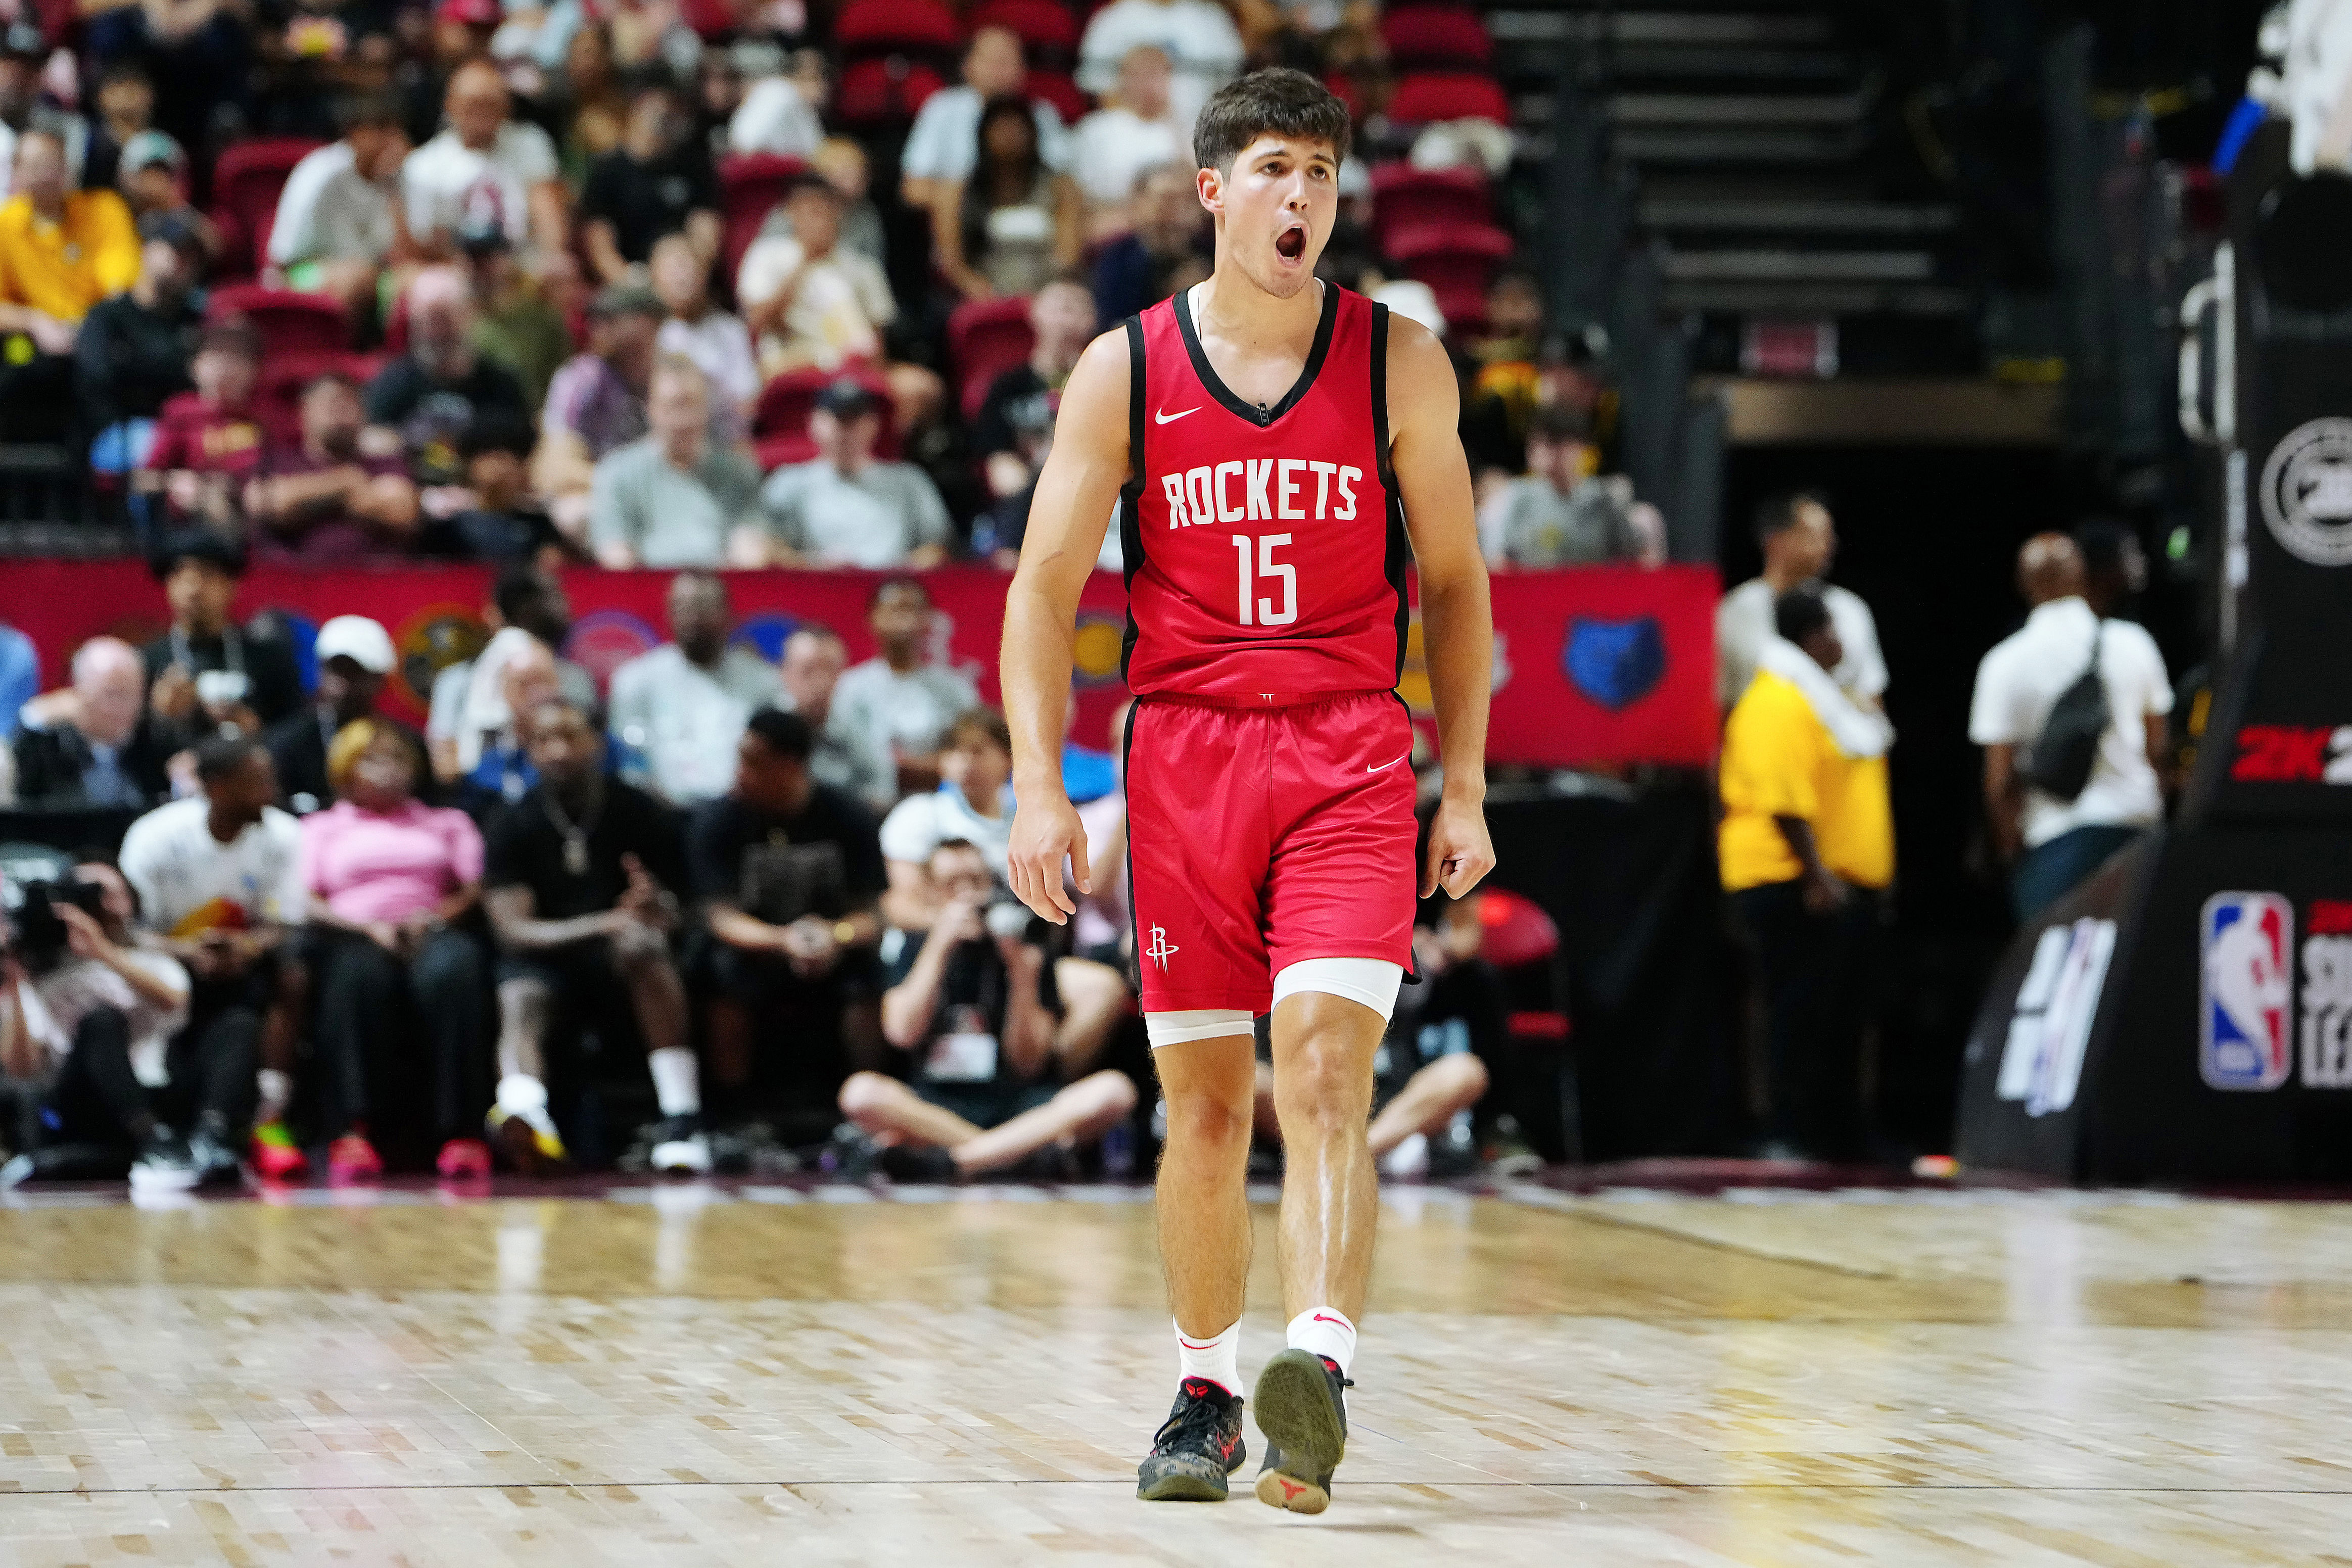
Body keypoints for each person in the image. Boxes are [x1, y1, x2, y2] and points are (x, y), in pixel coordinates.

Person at [999, 68, 1495, 1512]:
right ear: (1212, 191)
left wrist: (1457, 782)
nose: (1300, 198)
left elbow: (1456, 584)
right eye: (1273, 169)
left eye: (1321, 174)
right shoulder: (1126, 367)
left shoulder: (1398, 359)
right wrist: (1042, 785)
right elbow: (1041, 591)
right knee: (1205, 1106)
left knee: (1328, 1065)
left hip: (1345, 743)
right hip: (1182, 753)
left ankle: (1317, 1369)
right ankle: (1207, 1387)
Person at [484, 697, 702, 1172]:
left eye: (570, 736)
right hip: (544, 956)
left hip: (616, 958)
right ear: (530, 750)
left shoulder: (640, 809)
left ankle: (682, 1118)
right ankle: (525, 1112)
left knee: (644, 947)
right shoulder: (510, 820)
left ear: (599, 744)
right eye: (544, 740)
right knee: (520, 995)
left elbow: (687, 908)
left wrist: (657, 907)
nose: (558, 750)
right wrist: (604, 922)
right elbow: (513, 930)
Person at [834, 838, 1137, 1180]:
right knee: (861, 1093)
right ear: (933, 893)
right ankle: (1009, 1156)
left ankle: (958, 1161)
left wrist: (1022, 978)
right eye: (953, 883)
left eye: (976, 881)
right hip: (937, 1105)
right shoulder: (913, 947)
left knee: (1113, 1091)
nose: (968, 893)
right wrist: (940, 944)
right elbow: (902, 1033)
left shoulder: (1024, 947)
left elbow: (1029, 1063)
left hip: (1017, 1103)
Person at [1718, 586, 1894, 1160]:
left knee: (1832, 1016)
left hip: (1826, 885)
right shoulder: (1778, 697)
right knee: (1792, 1014)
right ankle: (1784, 1131)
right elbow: (1784, 801)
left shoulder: (1823, 699)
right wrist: (1816, 876)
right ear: (1810, 636)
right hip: (1785, 881)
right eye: (1832, 630)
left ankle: (1834, 1133)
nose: (1841, 643)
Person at [300, 720, 492, 1180]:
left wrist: (433, 920)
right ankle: (354, 1130)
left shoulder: (447, 821)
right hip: (355, 933)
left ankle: (461, 1132)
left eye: (398, 758)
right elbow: (308, 900)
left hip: (431, 928)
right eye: (373, 758)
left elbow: (473, 889)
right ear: (345, 769)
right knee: (356, 977)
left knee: (456, 971)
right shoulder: (322, 827)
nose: (388, 769)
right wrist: (369, 928)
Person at [116, 736, 311, 1179]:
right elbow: (125, 930)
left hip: (245, 960)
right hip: (165, 960)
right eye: (258, 783)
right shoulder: (155, 836)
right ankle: (149, 1124)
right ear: (217, 787)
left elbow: (285, 921)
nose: (271, 793)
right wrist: (187, 950)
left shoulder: (283, 834)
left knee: (291, 974)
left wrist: (245, 947)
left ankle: (268, 1118)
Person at [687, 709, 885, 1133]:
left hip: (833, 946)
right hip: (756, 948)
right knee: (721, 970)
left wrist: (835, 935)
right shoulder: (719, 818)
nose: (739, 772)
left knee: (867, 976)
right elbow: (719, 916)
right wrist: (784, 940)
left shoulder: (847, 815)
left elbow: (872, 915)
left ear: (790, 765)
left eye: (752, 761)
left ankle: (868, 1108)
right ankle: (733, 1114)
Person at [1970, 532, 2172, 922]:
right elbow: (2159, 751)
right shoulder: (2134, 643)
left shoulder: (2003, 663)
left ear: (2022, 584)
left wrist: (2012, 851)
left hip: (2054, 845)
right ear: (2081, 575)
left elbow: (1998, 783)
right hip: (2137, 833)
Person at [0, 859, 218, 1189]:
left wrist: (104, 952)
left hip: (153, 1085)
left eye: (106, 894)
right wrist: (16, 981)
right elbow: (22, 1069)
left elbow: (175, 1001)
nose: (101, 904)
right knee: (100, 1021)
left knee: (235, 1025)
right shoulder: (36, 981)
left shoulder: (144, 959)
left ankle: (206, 1141)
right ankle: (152, 1140)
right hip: (76, 1102)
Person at [1252, 893, 1499, 1179]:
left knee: (1465, 1071)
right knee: (1250, 1077)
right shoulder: (1296, 959)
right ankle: (1328, 1153)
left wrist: (1442, 951)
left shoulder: (1409, 957)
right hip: (1310, 1105)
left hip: (1388, 1109)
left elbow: (1465, 944)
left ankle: (1355, 1157)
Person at [0, 127, 139, 438]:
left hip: (99, 336)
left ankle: (110, 457)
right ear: (17, 173)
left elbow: (119, 285)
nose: (47, 173)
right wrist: (36, 321)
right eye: (36, 165)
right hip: (30, 342)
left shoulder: (104, 209)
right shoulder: (5, 225)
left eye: (54, 163)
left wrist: (88, 328)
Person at [608, 570, 779, 806]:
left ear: (729, 615)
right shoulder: (637, 679)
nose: (693, 618)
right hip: (659, 809)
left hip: (740, 809)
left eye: (704, 608)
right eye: (683, 608)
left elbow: (770, 754)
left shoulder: (761, 679)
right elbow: (629, 757)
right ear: (669, 614)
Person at [748, 379, 952, 569]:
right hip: (813, 591)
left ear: (873, 425)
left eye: (854, 420)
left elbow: (938, 548)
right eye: (837, 419)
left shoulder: (908, 480)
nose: (845, 430)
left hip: (890, 592)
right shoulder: (788, 483)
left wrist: (896, 571)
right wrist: (815, 565)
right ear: (814, 422)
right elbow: (763, 546)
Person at [424, 565, 597, 783]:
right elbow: (445, 768)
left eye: (542, 682)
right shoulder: (455, 682)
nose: (567, 606)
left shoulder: (575, 680)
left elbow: (587, 756)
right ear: (526, 608)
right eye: (554, 596)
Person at [587, 356, 763, 569]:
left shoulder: (738, 474)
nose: (683, 420)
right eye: (672, 407)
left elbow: (751, 550)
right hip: (648, 593)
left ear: (707, 407)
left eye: (691, 405)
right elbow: (615, 555)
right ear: (650, 409)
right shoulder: (617, 474)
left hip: (721, 593)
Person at [364, 264, 530, 489]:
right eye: (427, 320)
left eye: (444, 318)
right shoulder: (392, 384)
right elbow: (373, 442)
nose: (436, 332)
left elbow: (522, 442)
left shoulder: (501, 383)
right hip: (414, 497)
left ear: (468, 315)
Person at [1717, 491, 1886, 711]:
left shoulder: (1849, 608)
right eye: (1813, 534)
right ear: (1774, 540)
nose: (1828, 544)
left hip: (1835, 742)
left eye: (1829, 535)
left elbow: (1872, 695)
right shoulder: (1735, 610)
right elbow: (1723, 698)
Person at [140, 534, 308, 751]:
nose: (194, 590)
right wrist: (159, 718)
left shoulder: (270, 659)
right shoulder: (147, 663)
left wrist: (259, 734)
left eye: (207, 575)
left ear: (232, 585)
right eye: (181, 576)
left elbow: (299, 733)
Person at [973, 276, 1098, 565]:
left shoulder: (1105, 385)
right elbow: (1000, 471)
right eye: (1060, 308)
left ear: (1092, 320)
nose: (1067, 320)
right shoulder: (1007, 387)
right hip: (1030, 501)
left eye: (1078, 309)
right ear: (1035, 314)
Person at [75, 214, 209, 470]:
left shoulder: (197, 321)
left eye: (192, 257)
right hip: (115, 433)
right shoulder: (107, 316)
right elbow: (96, 380)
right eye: (175, 250)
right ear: (146, 249)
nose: (184, 263)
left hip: (181, 432)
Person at [401, 59, 568, 263]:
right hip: (456, 267)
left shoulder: (529, 142)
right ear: (450, 106)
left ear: (507, 106)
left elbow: (547, 211)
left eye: (492, 103)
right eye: (474, 104)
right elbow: (425, 241)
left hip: (523, 263)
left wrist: (552, 258)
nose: (483, 112)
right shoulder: (423, 165)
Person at [247, 370, 424, 561]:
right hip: (296, 582)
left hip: (377, 581)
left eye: (350, 403)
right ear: (305, 411)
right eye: (331, 403)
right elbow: (270, 505)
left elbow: (402, 511)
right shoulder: (277, 461)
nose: (342, 410)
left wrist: (306, 501)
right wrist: (348, 483)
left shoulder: (385, 464)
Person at [735, 170, 896, 379]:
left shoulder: (863, 265)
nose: (819, 220)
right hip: (794, 358)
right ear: (791, 213)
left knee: (920, 388)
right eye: (811, 211)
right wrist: (805, 261)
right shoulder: (767, 254)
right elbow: (757, 321)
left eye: (826, 211)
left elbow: (877, 338)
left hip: (855, 362)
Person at [267, 92, 412, 320]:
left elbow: (403, 256)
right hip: (300, 273)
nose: (388, 140)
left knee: (420, 282)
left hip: (373, 273)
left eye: (393, 131)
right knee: (357, 279)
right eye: (378, 130)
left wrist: (394, 189)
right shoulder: (322, 174)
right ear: (354, 132)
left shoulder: (397, 175)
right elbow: (284, 258)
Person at [535, 281, 662, 540]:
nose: (597, 328)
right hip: (600, 494)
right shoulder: (581, 379)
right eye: (596, 319)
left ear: (650, 323)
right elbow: (554, 466)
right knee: (575, 513)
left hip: (669, 493)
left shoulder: (678, 378)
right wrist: (623, 487)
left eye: (611, 319)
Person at [832, 577, 980, 796]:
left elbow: (972, 751)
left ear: (929, 620)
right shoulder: (851, 687)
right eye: (893, 610)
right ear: (872, 619)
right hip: (869, 801)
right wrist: (933, 765)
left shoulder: (954, 689)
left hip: (944, 799)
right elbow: (851, 757)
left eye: (912, 610)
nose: (904, 619)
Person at [899, 26, 1071, 213]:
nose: (998, 70)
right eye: (990, 60)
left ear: (1023, 69)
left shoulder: (1042, 114)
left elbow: (1062, 182)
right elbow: (913, 189)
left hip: (1034, 222)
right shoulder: (943, 109)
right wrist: (971, 205)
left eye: (1006, 61)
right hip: (967, 222)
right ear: (967, 66)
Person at [935, 94, 1083, 303]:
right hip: (983, 296)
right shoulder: (959, 192)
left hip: (1049, 293)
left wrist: (1042, 294)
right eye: (1000, 128)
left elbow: (1068, 253)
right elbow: (952, 262)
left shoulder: (1060, 187)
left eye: (1016, 127)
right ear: (983, 135)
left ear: (1032, 133)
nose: (1009, 135)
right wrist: (983, 292)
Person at [879, 708, 1016, 928]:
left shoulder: (1024, 820)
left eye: (977, 751)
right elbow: (901, 903)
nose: (966, 762)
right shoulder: (919, 815)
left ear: (1008, 758)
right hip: (932, 943)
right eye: (955, 752)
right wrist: (957, 924)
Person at [1477, 404, 1657, 569]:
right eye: (1538, 444)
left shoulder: (1604, 499)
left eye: (1557, 444)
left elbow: (1640, 558)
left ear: (1582, 448)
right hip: (1533, 596)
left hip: (1594, 598)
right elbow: (1496, 563)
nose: (1547, 454)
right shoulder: (1514, 498)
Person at [580, 77, 718, 284]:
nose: (663, 121)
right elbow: (600, 245)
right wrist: (630, 282)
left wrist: (691, 276)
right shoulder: (608, 171)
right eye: (655, 112)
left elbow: (706, 231)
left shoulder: (693, 167)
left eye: (670, 114)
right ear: (635, 110)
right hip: (632, 278)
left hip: (685, 274)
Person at [264, 614, 406, 814]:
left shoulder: (406, 745)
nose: (341, 685)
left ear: (380, 679)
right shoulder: (287, 744)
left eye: (355, 672)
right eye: (334, 670)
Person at [135, 319, 265, 537]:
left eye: (238, 357)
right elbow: (144, 479)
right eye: (217, 356)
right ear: (195, 367)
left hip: (258, 504)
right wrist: (176, 482)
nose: (226, 365)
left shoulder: (266, 417)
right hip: (197, 515)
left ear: (255, 371)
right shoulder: (180, 412)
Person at [10, 637, 169, 807]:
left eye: (135, 695)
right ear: (79, 692)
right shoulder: (49, 741)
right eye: (113, 695)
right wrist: (33, 716)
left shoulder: (154, 738)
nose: (124, 707)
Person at [650, 232, 756, 445]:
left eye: (689, 268)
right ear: (656, 279)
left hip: (722, 439)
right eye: (673, 270)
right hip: (667, 438)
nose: (683, 277)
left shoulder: (730, 330)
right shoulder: (651, 335)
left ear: (704, 275)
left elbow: (747, 402)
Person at [777, 624, 893, 817]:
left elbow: (883, 792)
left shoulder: (858, 729)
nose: (821, 682)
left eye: (830, 670)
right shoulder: (762, 732)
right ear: (784, 673)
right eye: (808, 671)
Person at [1076, 0, 1244, 130]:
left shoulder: (1212, 19)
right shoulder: (1112, 19)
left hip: (1199, 132)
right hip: (1129, 134)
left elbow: (1231, 91)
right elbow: (1100, 92)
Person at [1073, 45, 1187, 233]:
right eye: (1141, 75)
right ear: (1123, 79)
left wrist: (1174, 122)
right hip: (1114, 222)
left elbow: (1192, 185)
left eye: (1157, 75)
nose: (1150, 84)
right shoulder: (1097, 128)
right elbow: (1081, 193)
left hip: (1172, 224)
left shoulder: (1182, 129)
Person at [1091, 162, 1211, 323]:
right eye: (1168, 200)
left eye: (1188, 200)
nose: (1180, 211)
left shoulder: (1212, 251)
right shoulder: (1118, 259)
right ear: (1139, 204)